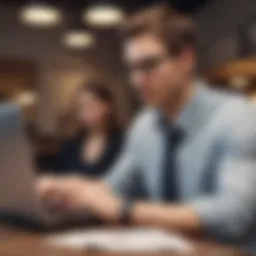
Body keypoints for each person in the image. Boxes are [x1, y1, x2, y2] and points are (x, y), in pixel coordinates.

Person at [38, 4, 256, 248]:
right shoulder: (144, 127)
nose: (137, 80)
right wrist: (64, 190)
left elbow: (235, 214)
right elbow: (110, 189)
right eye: (132, 68)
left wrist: (125, 210)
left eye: (149, 65)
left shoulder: (238, 116)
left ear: (186, 59)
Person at [44, 77, 124, 177]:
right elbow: (59, 176)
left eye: (91, 104)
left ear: (107, 107)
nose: (85, 112)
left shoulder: (123, 144)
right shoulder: (71, 145)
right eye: (80, 107)